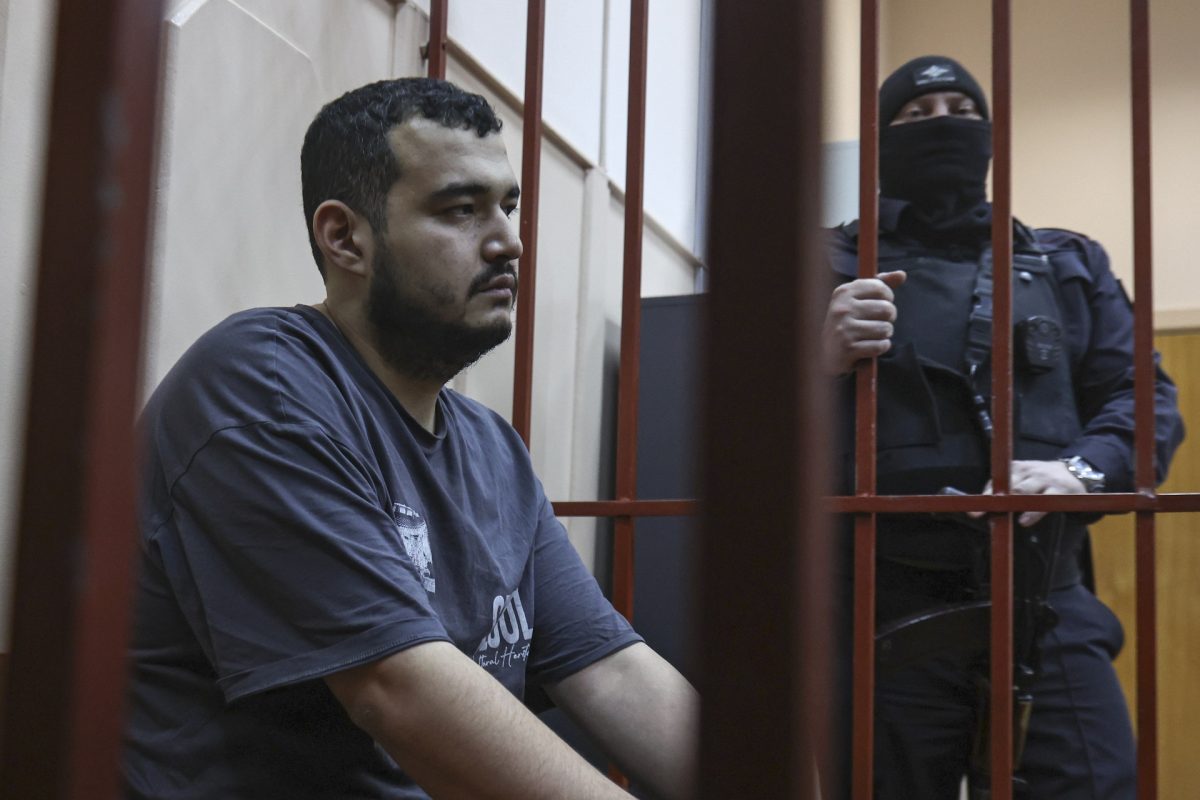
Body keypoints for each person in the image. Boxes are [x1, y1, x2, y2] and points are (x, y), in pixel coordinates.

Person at [122, 78, 697, 800]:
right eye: (460, 210)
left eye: (509, 207)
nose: (509, 241)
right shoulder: (260, 390)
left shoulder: (492, 450)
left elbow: (612, 670)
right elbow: (398, 690)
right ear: (345, 238)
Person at [823, 56, 1184, 799]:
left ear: (989, 136)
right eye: (918, 115)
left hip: (1043, 593)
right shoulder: (827, 262)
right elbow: (741, 425)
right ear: (882, 142)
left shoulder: (1065, 262)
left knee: (1097, 784)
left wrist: (1078, 472)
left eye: (962, 110)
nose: (943, 124)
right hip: (882, 600)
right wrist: (817, 354)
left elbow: (1145, 399)